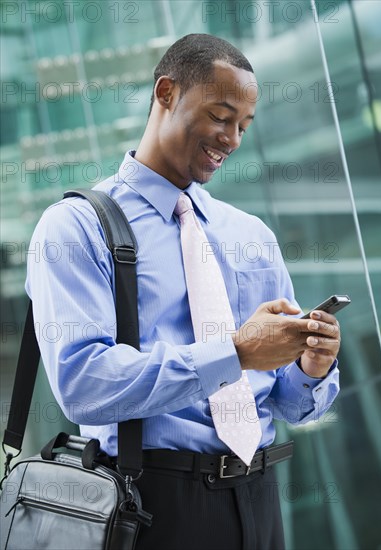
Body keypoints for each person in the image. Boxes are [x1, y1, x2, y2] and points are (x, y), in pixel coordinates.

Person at [26, 34, 341, 550]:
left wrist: (311, 367)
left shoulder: (251, 236)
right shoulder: (74, 228)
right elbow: (83, 384)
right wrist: (236, 353)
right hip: (150, 503)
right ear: (167, 93)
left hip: (259, 497)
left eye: (243, 125)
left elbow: (286, 401)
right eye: (220, 116)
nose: (232, 138)